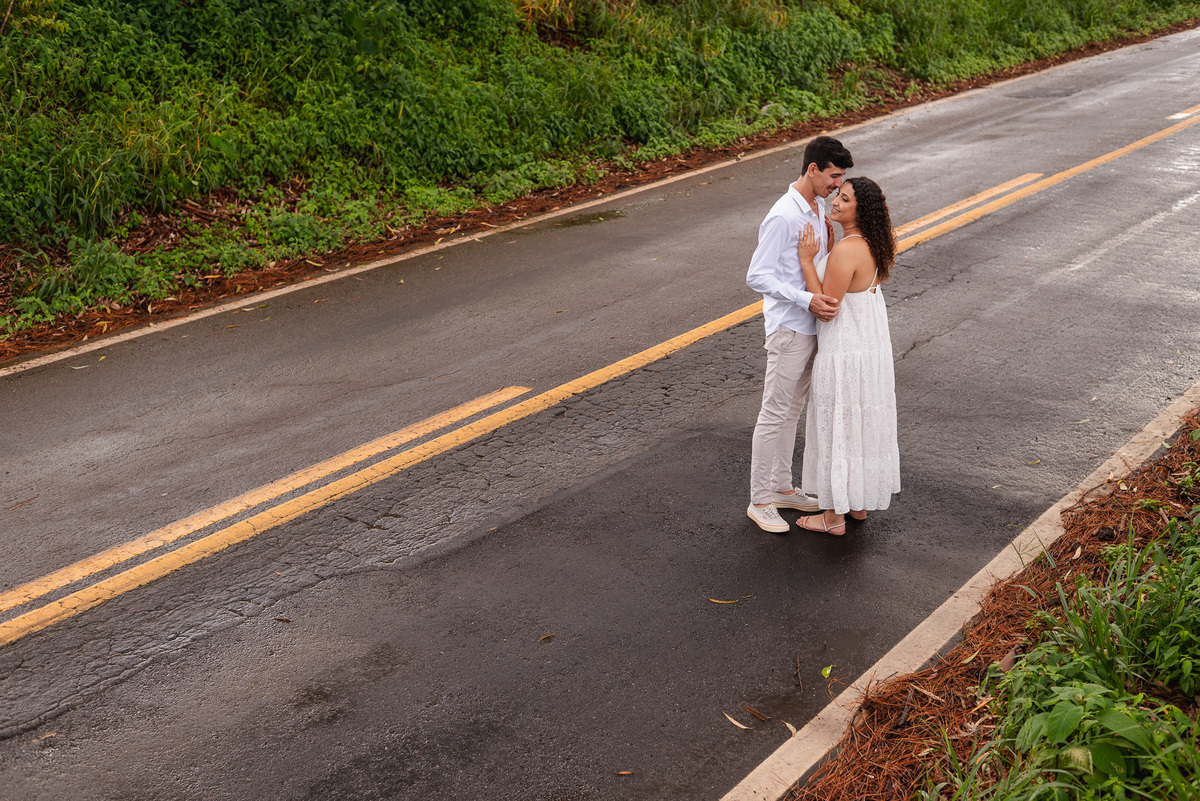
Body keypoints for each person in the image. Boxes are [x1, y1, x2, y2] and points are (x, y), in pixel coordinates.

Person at [745, 136, 853, 534]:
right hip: (789, 327)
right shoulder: (784, 216)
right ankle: (759, 501)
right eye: (833, 176)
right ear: (812, 170)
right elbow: (756, 275)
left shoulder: (819, 206)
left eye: (841, 179)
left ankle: (781, 488)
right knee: (773, 413)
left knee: (792, 411)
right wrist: (804, 298)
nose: (837, 186)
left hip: (813, 327)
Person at [794, 176, 901, 535]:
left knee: (837, 428)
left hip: (843, 352)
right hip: (867, 352)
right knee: (857, 428)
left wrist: (807, 260)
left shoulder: (846, 251)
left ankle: (832, 517)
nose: (836, 202)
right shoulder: (870, 244)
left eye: (845, 199)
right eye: (838, 195)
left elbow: (826, 306)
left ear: (861, 210)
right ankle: (856, 505)